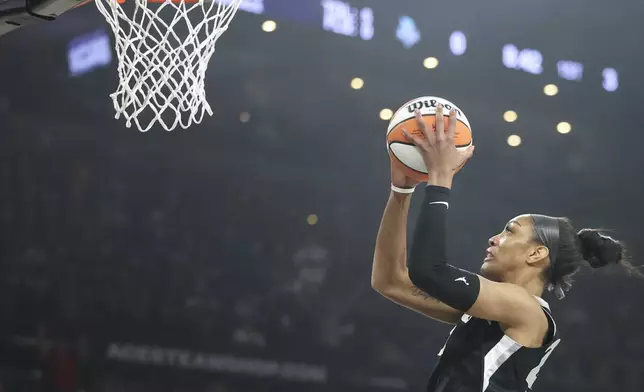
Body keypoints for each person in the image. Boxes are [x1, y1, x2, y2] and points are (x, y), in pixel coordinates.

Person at [371, 104, 636, 392]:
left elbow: (429, 272)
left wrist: (440, 178)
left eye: (509, 231)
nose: (494, 239)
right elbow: (390, 281)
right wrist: (402, 191)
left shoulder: (525, 310)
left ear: (537, 253)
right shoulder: (488, 311)